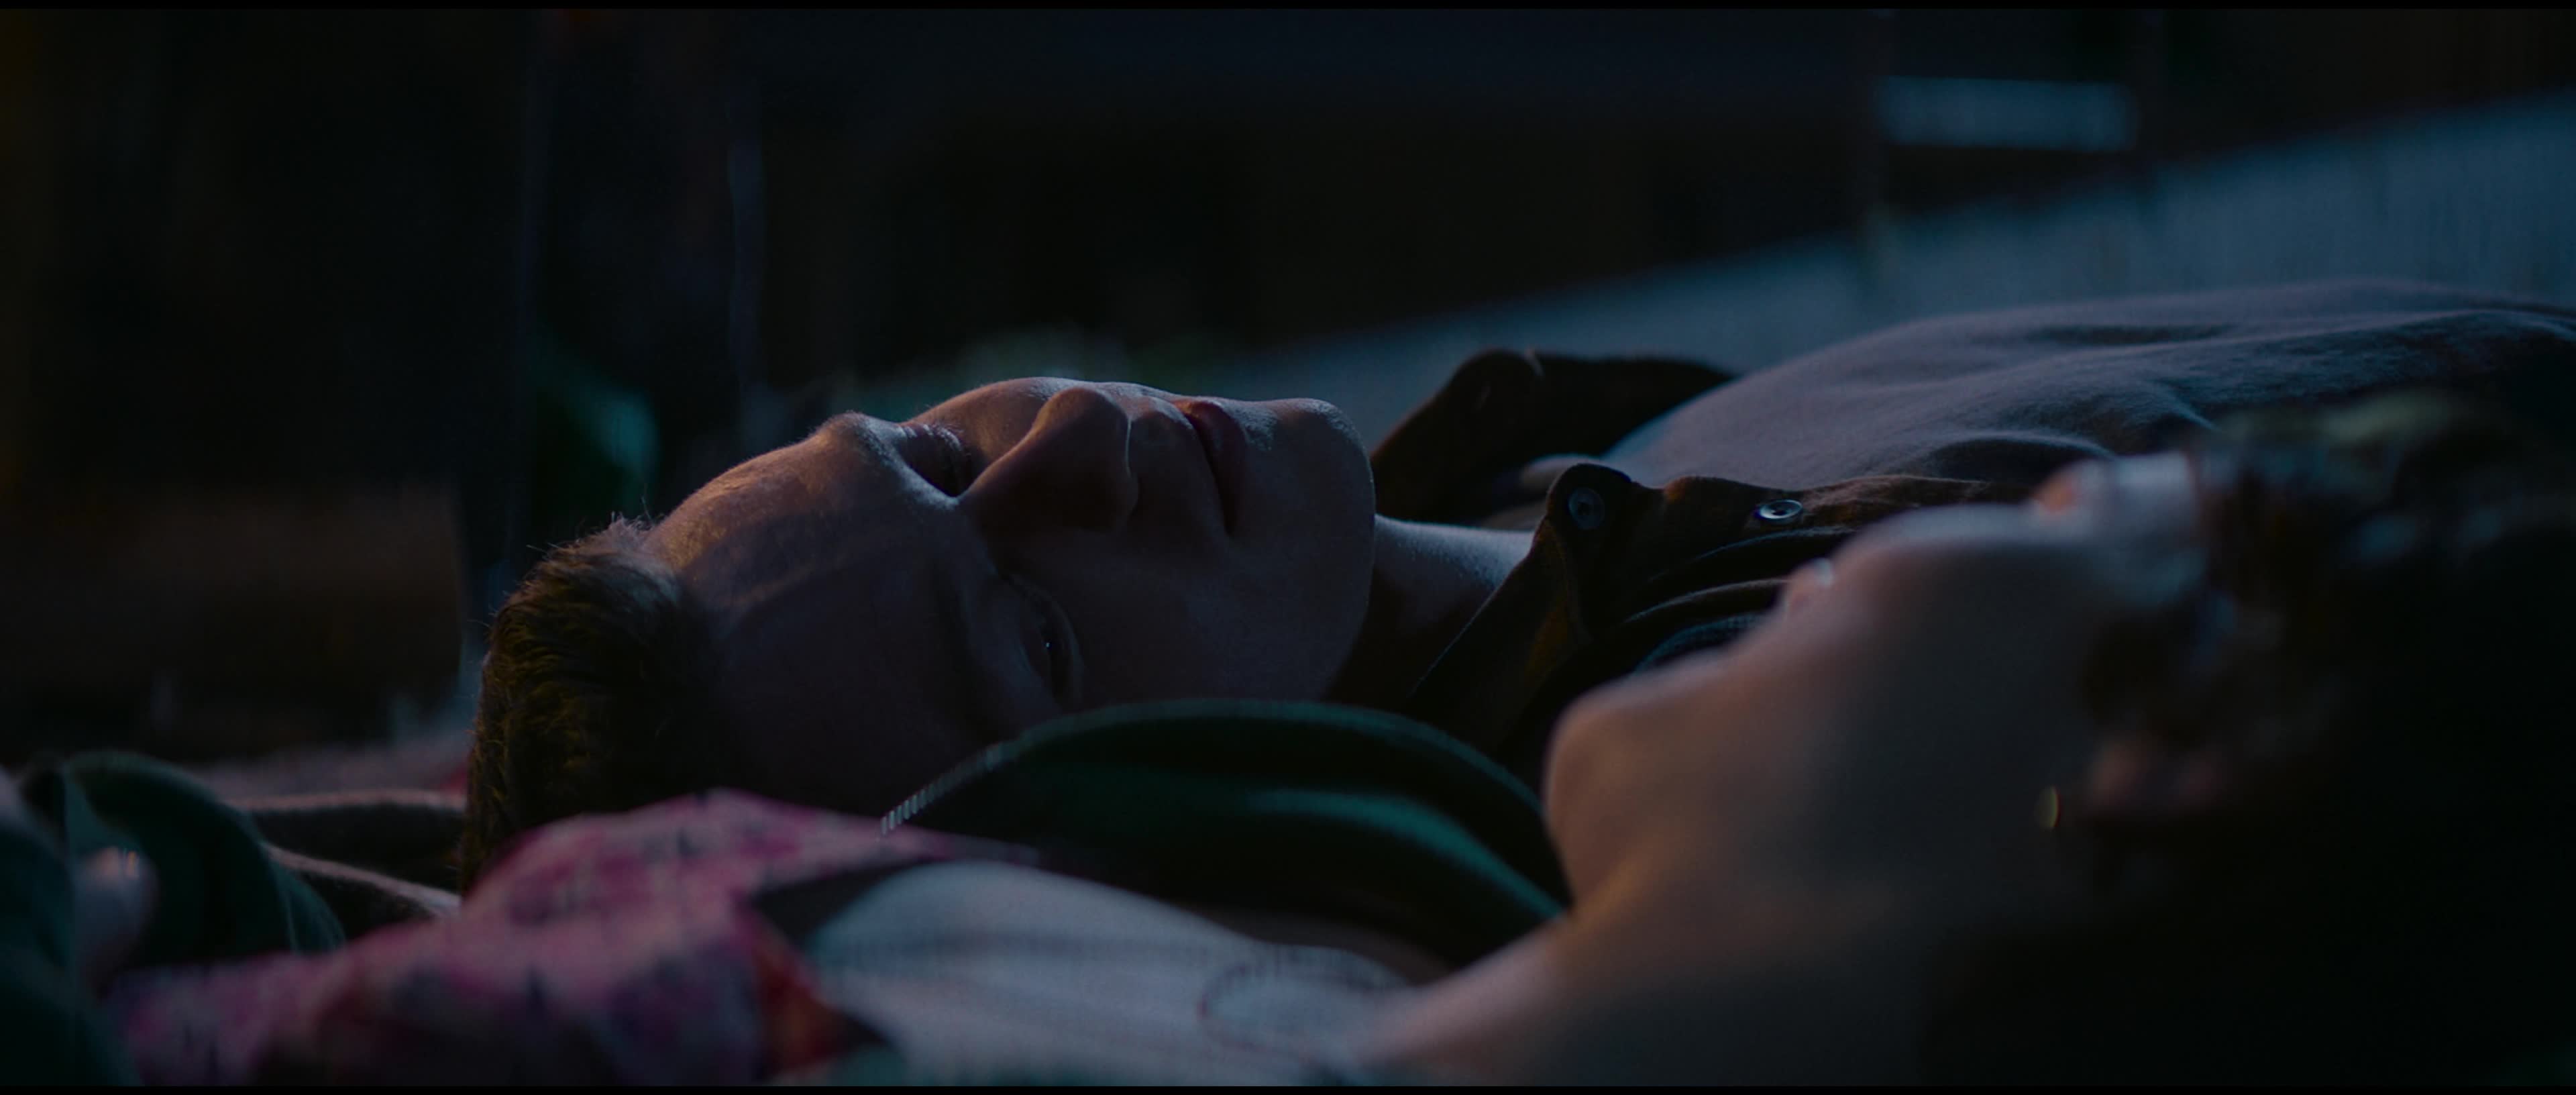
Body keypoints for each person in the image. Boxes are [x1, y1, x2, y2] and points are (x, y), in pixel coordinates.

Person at [46, 388, 2576, 1084]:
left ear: (2173, 761)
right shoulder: (1299, 908)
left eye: (2093, 509)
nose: (1862, 539)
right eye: (946, 476)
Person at [460, 278, 2576, 886]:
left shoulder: (1506, 459)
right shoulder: (1762, 751)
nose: (1073, 443)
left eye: (935, 451)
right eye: (1030, 633)